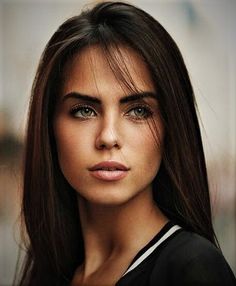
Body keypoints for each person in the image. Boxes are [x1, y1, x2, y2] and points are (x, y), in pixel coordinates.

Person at [16, 1, 236, 286]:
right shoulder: (53, 272)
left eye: (138, 111)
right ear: (49, 126)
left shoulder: (193, 269)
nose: (108, 137)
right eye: (84, 110)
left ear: (172, 127)